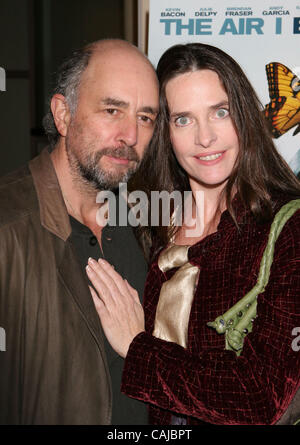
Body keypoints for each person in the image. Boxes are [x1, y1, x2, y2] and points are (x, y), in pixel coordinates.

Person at [86, 43, 300, 425]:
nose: (206, 138)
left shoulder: (288, 229)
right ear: (165, 133)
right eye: (183, 119)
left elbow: (263, 398)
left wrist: (139, 350)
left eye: (220, 112)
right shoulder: (145, 224)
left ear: (246, 116)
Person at [0, 39, 159, 425]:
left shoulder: (147, 225)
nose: (130, 137)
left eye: (145, 118)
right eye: (112, 110)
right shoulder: (8, 226)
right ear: (63, 114)